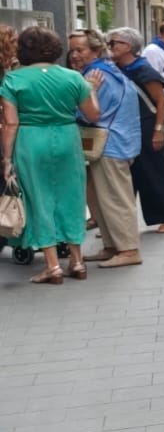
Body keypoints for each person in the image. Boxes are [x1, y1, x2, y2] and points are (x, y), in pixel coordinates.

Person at [1, 27, 100, 283]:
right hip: (67, 137)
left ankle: (53, 266)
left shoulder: (13, 80)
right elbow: (93, 115)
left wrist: (7, 159)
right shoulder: (73, 77)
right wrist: (92, 89)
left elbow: (10, 123)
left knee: (38, 199)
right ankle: (77, 261)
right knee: (72, 197)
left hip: (30, 140)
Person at [69, 31, 142, 268]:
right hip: (119, 141)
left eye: (80, 50)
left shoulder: (95, 75)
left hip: (110, 143)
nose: (74, 55)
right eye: (72, 50)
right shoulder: (110, 69)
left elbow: (88, 112)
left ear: (95, 51)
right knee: (105, 199)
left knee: (115, 198)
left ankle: (128, 250)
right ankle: (112, 246)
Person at [108, 28, 164, 234]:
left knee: (153, 172)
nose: (110, 47)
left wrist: (158, 130)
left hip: (147, 125)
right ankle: (121, 222)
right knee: (128, 175)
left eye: (114, 43)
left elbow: (161, 101)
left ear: (128, 46)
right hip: (126, 125)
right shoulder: (115, 68)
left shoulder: (142, 69)